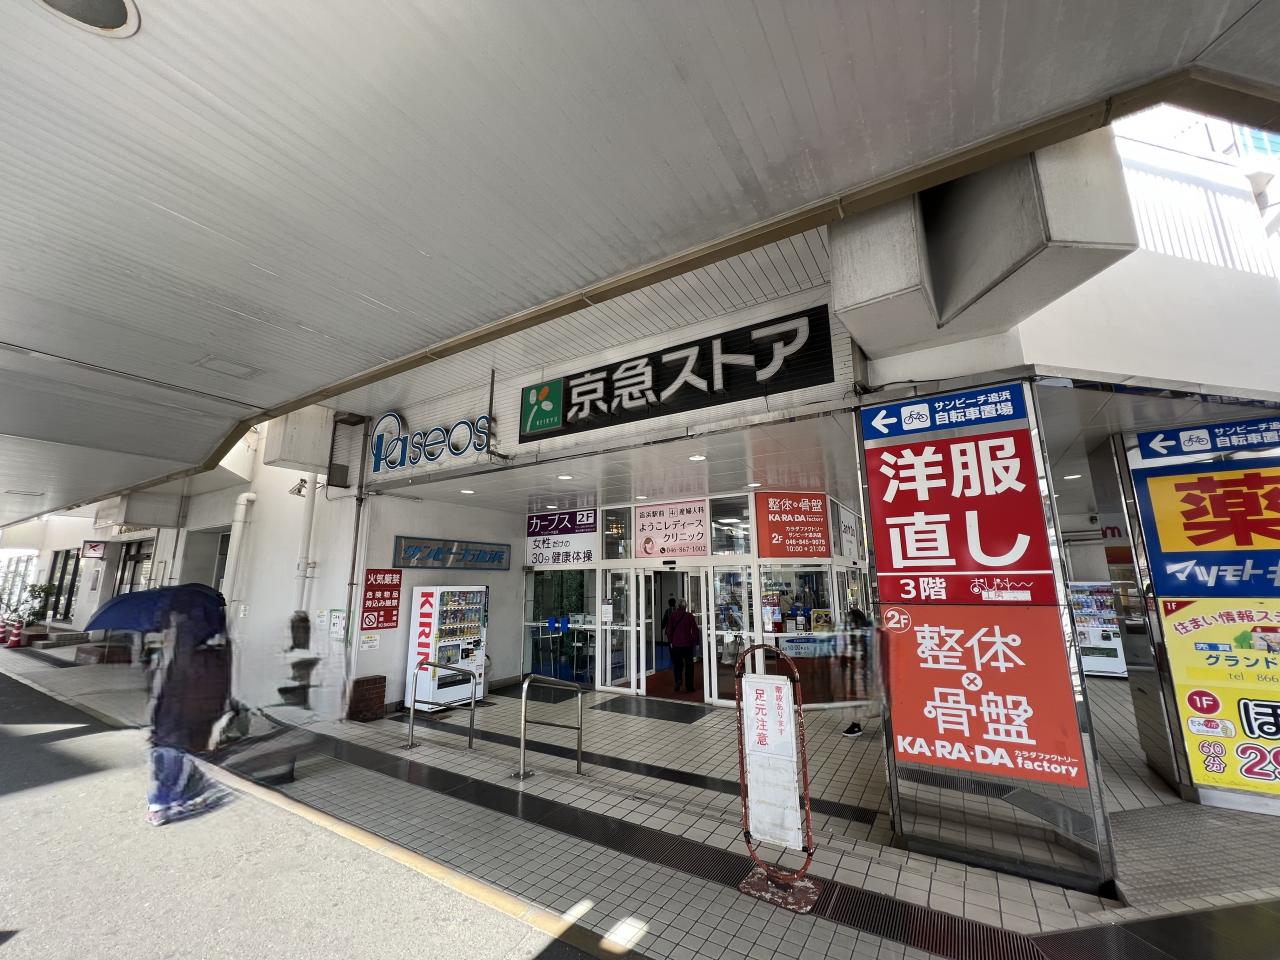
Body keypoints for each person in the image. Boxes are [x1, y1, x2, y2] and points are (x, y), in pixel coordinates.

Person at [146, 605, 233, 825]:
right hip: (187, 715)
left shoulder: (184, 650)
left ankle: (162, 803)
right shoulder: (214, 652)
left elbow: (167, 687)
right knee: (174, 756)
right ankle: (163, 803)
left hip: (177, 715)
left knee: (170, 757)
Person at [666, 597, 699, 694]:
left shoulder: (673, 615)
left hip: (676, 644)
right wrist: (695, 642)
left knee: (677, 665)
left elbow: (669, 630)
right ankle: (689, 686)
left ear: (678, 606)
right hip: (687, 644)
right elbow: (695, 630)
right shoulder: (689, 616)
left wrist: (671, 641)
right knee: (689, 666)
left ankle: (678, 681)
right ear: (686, 606)